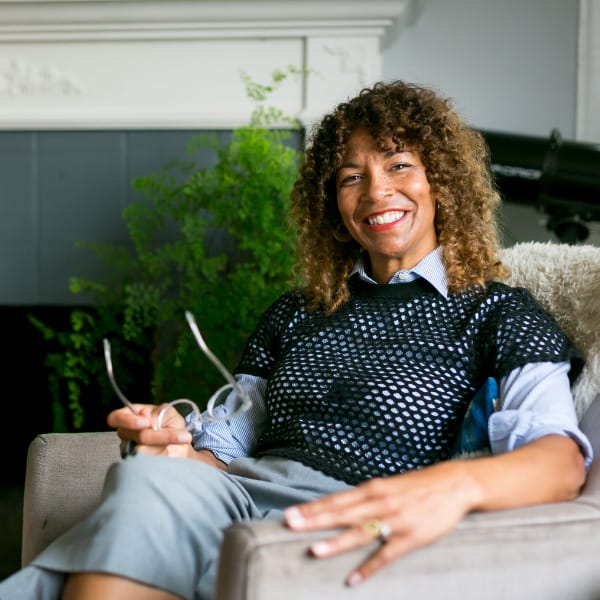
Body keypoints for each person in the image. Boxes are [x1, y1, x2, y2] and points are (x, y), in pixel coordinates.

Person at [0, 80, 592, 600]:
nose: (376, 191)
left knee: (125, 537)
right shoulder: (298, 310)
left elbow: (558, 460)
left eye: (398, 165)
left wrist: (451, 487)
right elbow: (236, 434)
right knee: (149, 477)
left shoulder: (497, 310)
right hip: (234, 494)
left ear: (443, 181)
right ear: (333, 205)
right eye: (351, 177)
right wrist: (178, 448)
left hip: (342, 511)